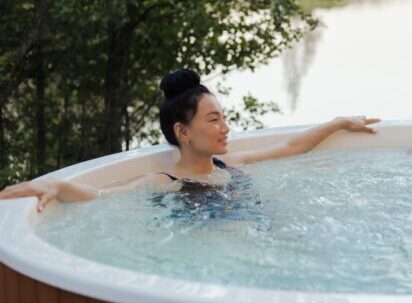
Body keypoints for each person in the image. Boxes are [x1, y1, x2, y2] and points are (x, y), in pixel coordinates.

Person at [0, 69, 380, 212]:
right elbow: (100, 197)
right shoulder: (164, 183)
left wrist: (338, 122)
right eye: (214, 120)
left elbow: (291, 147)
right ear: (183, 132)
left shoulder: (231, 165)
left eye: (224, 118)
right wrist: (51, 184)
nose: (225, 127)